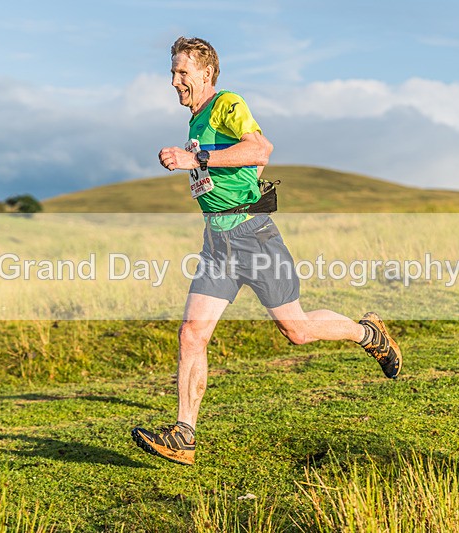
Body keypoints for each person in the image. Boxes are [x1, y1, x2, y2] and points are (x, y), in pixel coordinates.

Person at [131, 36, 402, 466]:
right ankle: (184, 435)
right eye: (172, 72)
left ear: (206, 73)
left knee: (296, 330)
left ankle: (368, 333)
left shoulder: (227, 103)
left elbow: (260, 148)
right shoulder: (197, 122)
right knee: (191, 334)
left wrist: (194, 161)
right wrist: (220, 166)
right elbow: (249, 161)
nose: (174, 81)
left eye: (182, 72)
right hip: (217, 243)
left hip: (253, 236)